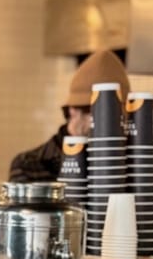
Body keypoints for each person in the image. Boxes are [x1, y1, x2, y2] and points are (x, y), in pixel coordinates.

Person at [8, 50, 131, 182]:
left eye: (118, 116)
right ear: (73, 110)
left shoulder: (129, 163)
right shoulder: (29, 165)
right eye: (100, 114)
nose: (110, 125)